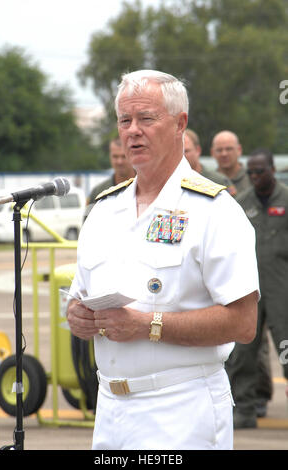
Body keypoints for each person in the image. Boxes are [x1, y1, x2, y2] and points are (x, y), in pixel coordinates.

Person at [67, 69, 259, 450]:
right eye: (125, 120)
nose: (133, 130)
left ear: (179, 125)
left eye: (146, 118)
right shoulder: (104, 211)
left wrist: (147, 325)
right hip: (110, 412)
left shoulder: (215, 211)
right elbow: (78, 295)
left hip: (181, 411)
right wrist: (77, 315)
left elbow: (243, 322)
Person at [226, 148, 288, 429]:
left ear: (273, 170)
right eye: (250, 172)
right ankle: (245, 409)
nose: (254, 176)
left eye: (259, 171)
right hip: (250, 288)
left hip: (281, 287)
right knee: (244, 351)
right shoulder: (241, 204)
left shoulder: (285, 200)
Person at [84, 137, 136, 219]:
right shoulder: (98, 192)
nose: (119, 162)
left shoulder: (146, 188)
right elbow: (86, 225)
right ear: (110, 157)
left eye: (124, 156)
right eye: (115, 157)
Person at [183, 129, 236, 195]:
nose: (182, 156)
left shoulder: (218, 181)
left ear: (197, 150)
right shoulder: (172, 181)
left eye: (186, 151)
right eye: (177, 152)